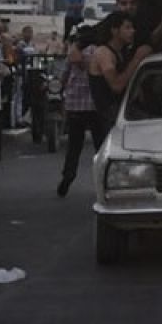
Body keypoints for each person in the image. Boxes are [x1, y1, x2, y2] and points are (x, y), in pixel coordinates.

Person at [57, 26, 104, 198]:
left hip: (75, 105)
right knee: (100, 146)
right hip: (95, 106)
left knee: (74, 146)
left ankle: (68, 176)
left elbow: (64, 76)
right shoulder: (100, 52)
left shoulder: (73, 53)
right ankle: (104, 179)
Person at [88, 13, 152, 130]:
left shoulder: (122, 52)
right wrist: (137, 59)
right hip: (108, 115)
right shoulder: (104, 53)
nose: (132, 31)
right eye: (127, 28)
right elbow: (116, 85)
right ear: (115, 31)